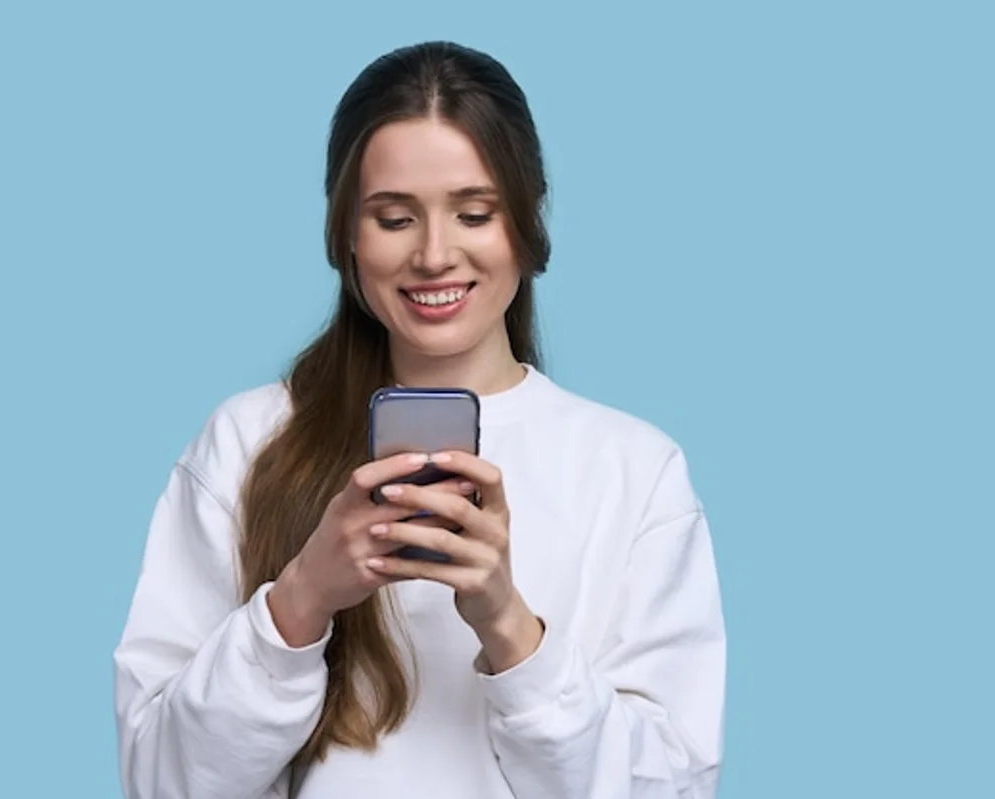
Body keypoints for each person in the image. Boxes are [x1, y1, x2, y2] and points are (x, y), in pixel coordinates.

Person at [112, 40, 726, 799]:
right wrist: (300, 597)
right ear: (346, 234)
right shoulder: (246, 444)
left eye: (473, 213)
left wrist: (509, 625)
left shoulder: (634, 471)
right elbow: (161, 780)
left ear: (527, 221)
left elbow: (668, 789)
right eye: (394, 218)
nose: (435, 254)